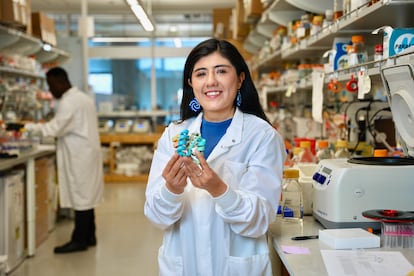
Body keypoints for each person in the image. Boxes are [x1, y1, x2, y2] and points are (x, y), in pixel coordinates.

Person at [144, 38, 286, 275]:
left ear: (240, 79)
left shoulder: (261, 136)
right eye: (201, 74)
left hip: (236, 266)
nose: (211, 81)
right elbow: (157, 217)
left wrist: (219, 189)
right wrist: (171, 190)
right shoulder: (175, 135)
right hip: (183, 264)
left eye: (221, 71)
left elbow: (260, 219)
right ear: (191, 82)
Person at [25, 67, 104, 254]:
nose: (51, 90)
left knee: (81, 197)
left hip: (79, 156)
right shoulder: (83, 98)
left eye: (51, 85)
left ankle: (79, 240)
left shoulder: (69, 102)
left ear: (61, 82)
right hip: (86, 154)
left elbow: (55, 128)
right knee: (87, 196)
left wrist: (28, 127)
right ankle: (90, 235)